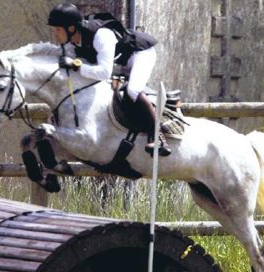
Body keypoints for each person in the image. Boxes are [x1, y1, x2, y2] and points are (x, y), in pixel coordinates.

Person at [47, 2, 171, 156]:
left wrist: (77, 66)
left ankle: (158, 136)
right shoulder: (74, 41)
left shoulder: (101, 35)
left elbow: (105, 72)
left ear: (71, 28)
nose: (55, 34)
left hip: (140, 54)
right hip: (120, 63)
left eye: (58, 29)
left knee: (133, 90)